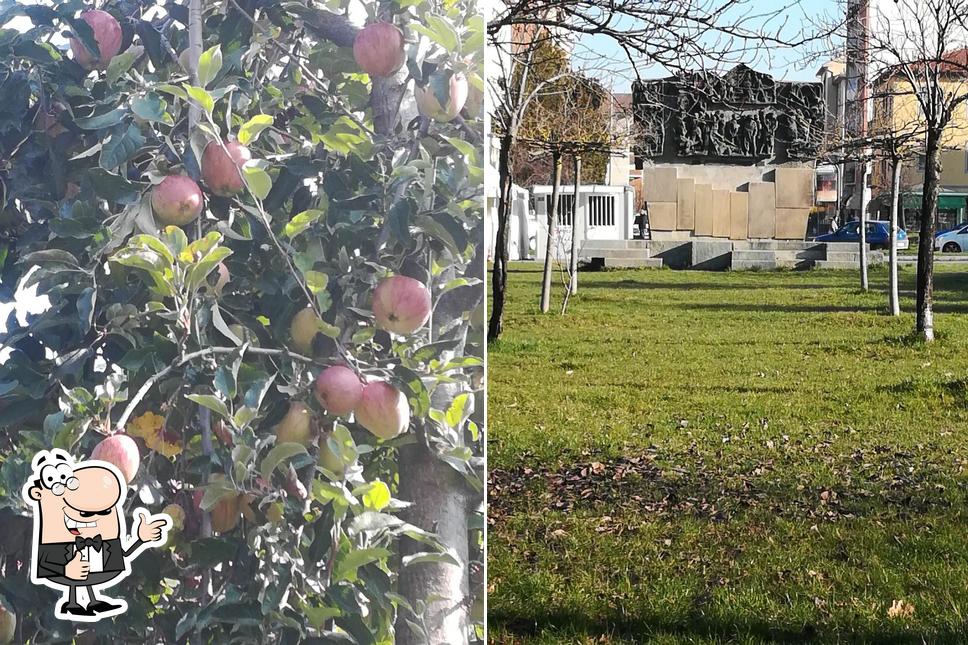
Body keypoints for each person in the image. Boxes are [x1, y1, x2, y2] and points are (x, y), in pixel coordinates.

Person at [23, 449, 170, 621]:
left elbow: (122, 555)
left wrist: (141, 539)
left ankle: (93, 601)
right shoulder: (55, 541)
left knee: (88, 576)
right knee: (76, 577)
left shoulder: (104, 540)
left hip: (98, 568)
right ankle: (72, 603)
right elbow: (47, 563)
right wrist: (65, 569)